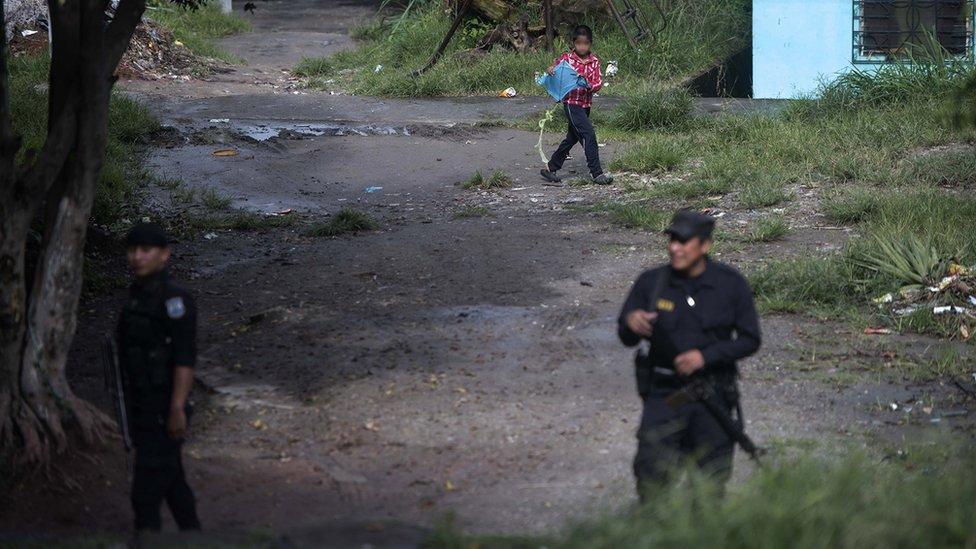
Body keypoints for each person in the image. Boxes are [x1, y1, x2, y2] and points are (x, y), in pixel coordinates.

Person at [617, 210, 761, 501]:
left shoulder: (730, 284)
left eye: (684, 241)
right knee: (651, 475)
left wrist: (705, 357)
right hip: (668, 395)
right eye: (672, 240)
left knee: (709, 485)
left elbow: (750, 339)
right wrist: (631, 321)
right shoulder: (652, 282)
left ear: (704, 246)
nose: (674, 247)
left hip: (713, 394)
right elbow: (626, 336)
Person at [116, 222, 201, 532]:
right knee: (173, 485)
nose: (137, 257)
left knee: (145, 496)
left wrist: (177, 407)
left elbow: (184, 358)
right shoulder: (136, 299)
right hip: (141, 405)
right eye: (132, 250)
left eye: (145, 250)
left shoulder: (174, 301)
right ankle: (194, 538)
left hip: (164, 407)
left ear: (164, 255)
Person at [539, 24, 613, 186]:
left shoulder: (594, 62)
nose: (582, 46)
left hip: (586, 104)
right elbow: (555, 71)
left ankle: (551, 168)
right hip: (572, 104)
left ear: (590, 44)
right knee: (589, 135)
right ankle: (597, 173)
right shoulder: (567, 59)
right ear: (573, 43)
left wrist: (587, 84)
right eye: (579, 43)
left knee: (572, 138)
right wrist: (551, 70)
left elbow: (597, 83)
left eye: (585, 43)